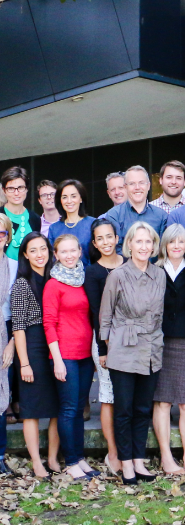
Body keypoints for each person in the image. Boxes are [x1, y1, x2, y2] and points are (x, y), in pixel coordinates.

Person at [100, 222, 166, 485]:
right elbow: (105, 316)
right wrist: (104, 350)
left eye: (148, 242)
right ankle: (125, 462)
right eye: (138, 241)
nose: (144, 246)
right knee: (124, 409)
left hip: (151, 348)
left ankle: (139, 459)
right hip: (123, 349)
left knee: (142, 408)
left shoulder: (159, 274)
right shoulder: (117, 275)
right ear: (129, 244)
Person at [43, 234, 98, 480]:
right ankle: (71, 462)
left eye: (72, 250)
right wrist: (56, 359)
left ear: (80, 251)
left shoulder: (84, 278)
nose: (68, 255)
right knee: (68, 408)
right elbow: (49, 324)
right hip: (64, 355)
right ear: (56, 255)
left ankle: (80, 457)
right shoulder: (53, 284)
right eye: (63, 252)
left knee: (78, 409)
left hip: (85, 354)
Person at [152, 224, 185, 476]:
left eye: (180, 242)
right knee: (161, 402)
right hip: (158, 342)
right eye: (171, 242)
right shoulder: (154, 269)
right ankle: (166, 457)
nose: (176, 246)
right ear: (164, 245)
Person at [11, 232, 59, 479]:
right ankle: (37, 462)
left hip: (56, 346)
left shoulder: (56, 277)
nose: (39, 255)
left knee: (55, 407)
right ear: (25, 255)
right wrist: (25, 363)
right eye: (33, 250)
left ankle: (52, 458)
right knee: (30, 409)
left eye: (43, 249)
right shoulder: (21, 283)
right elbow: (17, 326)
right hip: (32, 346)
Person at [84, 219, 123, 475]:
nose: (106, 242)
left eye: (110, 236)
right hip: (106, 342)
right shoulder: (93, 272)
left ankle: (129, 450)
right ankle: (113, 453)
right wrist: (103, 349)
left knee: (127, 397)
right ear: (95, 243)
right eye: (101, 238)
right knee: (108, 397)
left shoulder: (130, 264)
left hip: (133, 341)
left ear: (117, 238)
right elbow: (97, 313)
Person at [105, 166, 168, 255]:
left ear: (148, 186)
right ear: (125, 187)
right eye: (132, 184)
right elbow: (115, 249)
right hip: (125, 268)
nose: (137, 187)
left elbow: (163, 249)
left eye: (141, 183)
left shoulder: (161, 216)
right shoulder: (114, 215)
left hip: (155, 267)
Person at [0, 214, 18, 474]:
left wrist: (13, 342)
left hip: (5, 331)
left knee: (1, 391)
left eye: (1, 233)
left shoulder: (13, 266)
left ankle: (0, 454)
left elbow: (19, 310)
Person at [48, 179, 96, 268]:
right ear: (60, 200)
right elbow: (52, 260)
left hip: (89, 277)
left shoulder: (93, 224)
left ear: (81, 198)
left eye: (73, 196)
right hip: (61, 278)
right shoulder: (54, 228)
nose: (69, 201)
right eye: (64, 197)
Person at [1, 167, 41, 261]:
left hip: (28, 273)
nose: (16, 193)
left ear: (27, 189)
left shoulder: (34, 218)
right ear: (4, 190)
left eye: (20, 188)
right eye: (11, 188)